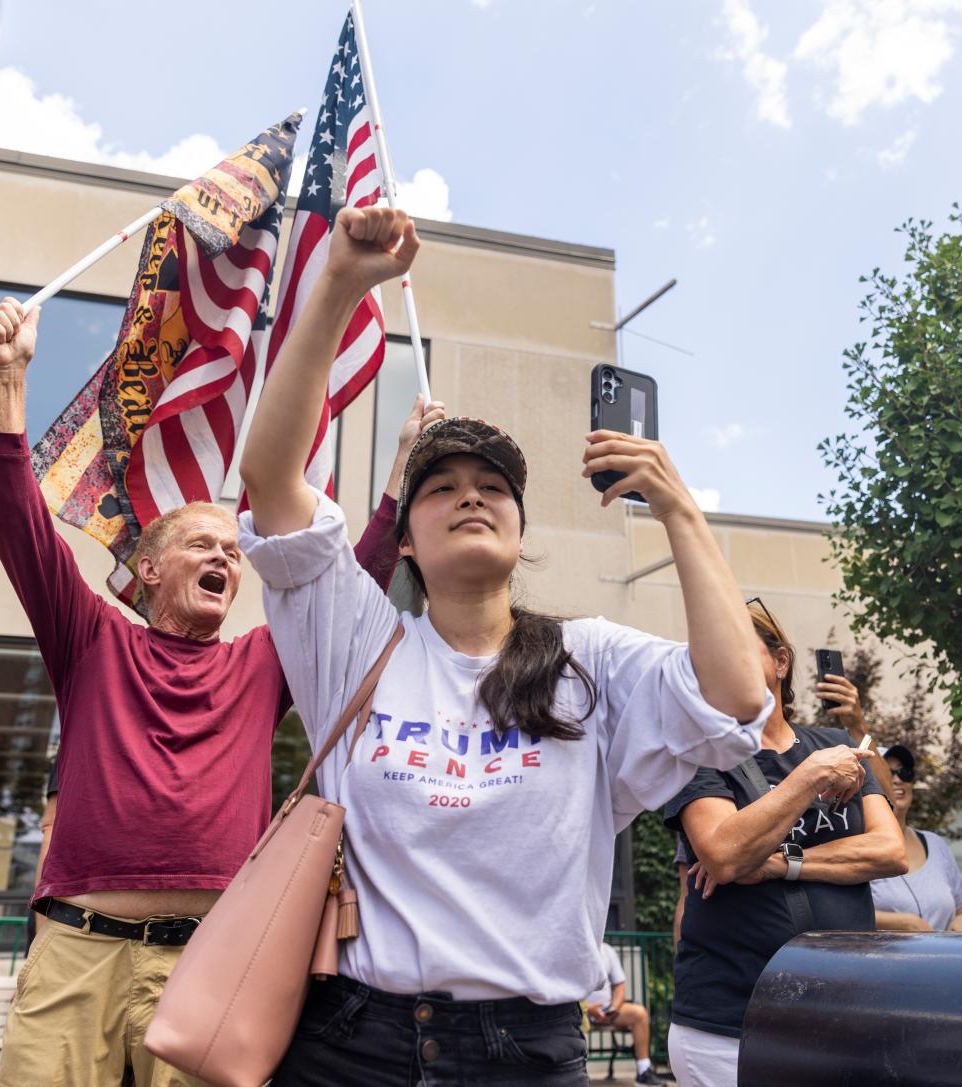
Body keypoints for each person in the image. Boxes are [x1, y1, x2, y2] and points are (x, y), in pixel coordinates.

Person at [236, 204, 769, 1086]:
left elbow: (738, 697)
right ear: (404, 538)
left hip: (524, 1053)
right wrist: (335, 283)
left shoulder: (588, 660)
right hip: (349, 1044)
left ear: (521, 534)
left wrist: (679, 509)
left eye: (492, 486)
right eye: (439, 487)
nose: (469, 495)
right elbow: (270, 478)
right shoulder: (357, 641)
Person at [0, 298, 422, 1086]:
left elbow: (347, 598)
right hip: (78, 952)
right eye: (202, 544)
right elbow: (21, 529)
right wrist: (8, 380)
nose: (227, 556)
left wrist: (399, 480)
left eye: (232, 549)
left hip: (211, 959)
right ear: (147, 570)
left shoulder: (260, 661)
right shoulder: (92, 639)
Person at [661, 597, 905, 1087]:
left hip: (841, 1012)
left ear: (780, 661)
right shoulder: (697, 753)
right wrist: (812, 776)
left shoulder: (833, 744)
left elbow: (888, 851)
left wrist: (780, 863)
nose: (719, 663)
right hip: (730, 1023)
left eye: (733, 647)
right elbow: (725, 854)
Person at [869, 743, 962, 932]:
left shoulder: (936, 844)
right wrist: (901, 923)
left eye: (905, 773)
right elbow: (839, 913)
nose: (897, 780)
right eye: (887, 773)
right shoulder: (857, 846)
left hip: (943, 959)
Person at [585, 941, 667, 1084]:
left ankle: (643, 1071)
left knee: (639, 1013)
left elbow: (619, 985)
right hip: (580, 1011)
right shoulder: (575, 947)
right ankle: (577, 1074)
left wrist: (613, 1008)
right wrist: (588, 1009)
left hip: (608, 1010)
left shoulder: (608, 950)